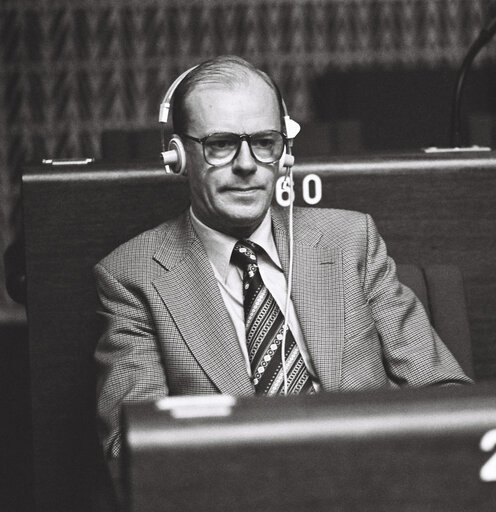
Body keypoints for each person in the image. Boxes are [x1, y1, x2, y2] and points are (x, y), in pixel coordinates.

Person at [94, 55, 471, 463]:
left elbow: (446, 394)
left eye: (264, 143)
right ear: (178, 157)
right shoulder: (131, 277)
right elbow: (133, 456)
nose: (246, 164)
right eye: (220, 144)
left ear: (285, 154)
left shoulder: (350, 241)